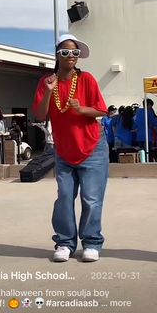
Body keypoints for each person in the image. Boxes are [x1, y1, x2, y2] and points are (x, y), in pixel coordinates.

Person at [33, 33, 109, 263]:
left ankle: (92, 243)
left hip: (92, 147)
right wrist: (48, 91)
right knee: (65, 197)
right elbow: (39, 114)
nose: (71, 56)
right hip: (65, 150)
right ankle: (65, 242)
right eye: (65, 52)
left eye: (75, 53)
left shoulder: (86, 79)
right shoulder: (47, 82)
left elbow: (102, 111)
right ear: (57, 55)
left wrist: (82, 109)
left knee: (92, 199)